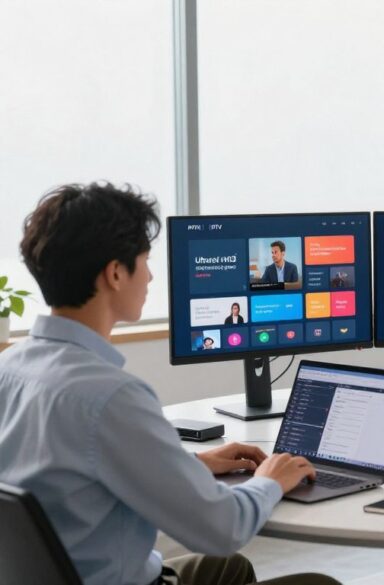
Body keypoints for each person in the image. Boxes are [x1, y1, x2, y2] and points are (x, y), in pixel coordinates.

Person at [0, 183, 338, 585]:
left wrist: (192, 466)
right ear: (115, 273)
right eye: (144, 260)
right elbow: (223, 529)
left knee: (228, 569)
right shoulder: (111, 397)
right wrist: (271, 480)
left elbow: (72, 475)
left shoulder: (10, 367)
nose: (150, 275)